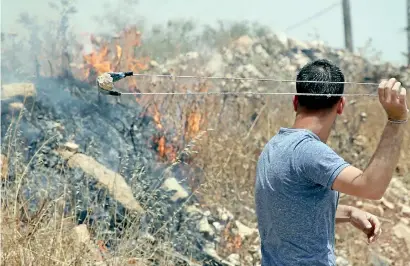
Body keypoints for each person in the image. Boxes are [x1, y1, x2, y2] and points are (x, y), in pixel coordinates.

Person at [254, 59, 408, 266]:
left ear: (295, 101)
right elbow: (372, 187)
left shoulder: (274, 146)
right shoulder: (309, 151)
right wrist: (396, 120)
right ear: (341, 105)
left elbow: (293, 211)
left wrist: (350, 213)